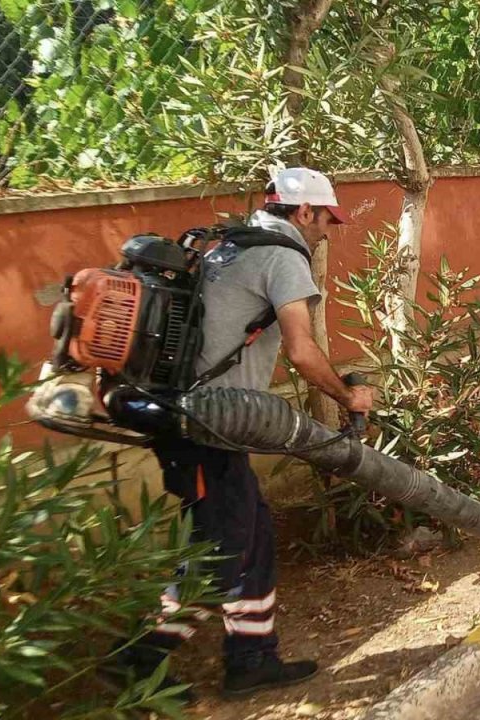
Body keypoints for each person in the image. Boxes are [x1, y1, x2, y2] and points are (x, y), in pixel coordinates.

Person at [110, 168, 373, 698]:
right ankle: (138, 660)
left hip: (199, 420)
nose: (328, 231)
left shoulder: (224, 244)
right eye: (326, 220)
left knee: (250, 532)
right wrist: (348, 397)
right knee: (221, 548)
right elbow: (301, 350)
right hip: (204, 425)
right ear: (304, 213)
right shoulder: (282, 256)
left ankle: (250, 658)